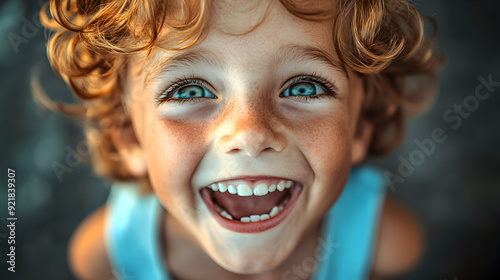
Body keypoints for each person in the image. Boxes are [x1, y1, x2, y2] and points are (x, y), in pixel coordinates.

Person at [38, 0, 444, 279]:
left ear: (358, 126)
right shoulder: (109, 257)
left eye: (303, 88)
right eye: (189, 91)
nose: (250, 134)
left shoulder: (384, 243)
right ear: (128, 137)